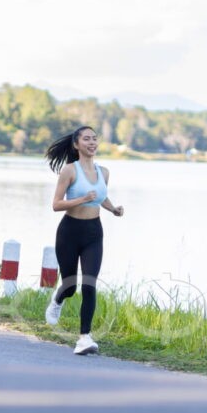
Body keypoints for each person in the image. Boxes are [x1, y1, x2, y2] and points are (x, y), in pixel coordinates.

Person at [44, 126, 124, 355]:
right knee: (71, 287)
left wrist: (113, 209)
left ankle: (84, 338)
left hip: (93, 233)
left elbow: (100, 195)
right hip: (69, 232)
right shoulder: (70, 171)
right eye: (86, 139)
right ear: (77, 145)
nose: (92, 142)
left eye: (94, 139)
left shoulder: (104, 172)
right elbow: (56, 204)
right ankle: (58, 299)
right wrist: (81, 198)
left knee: (90, 284)